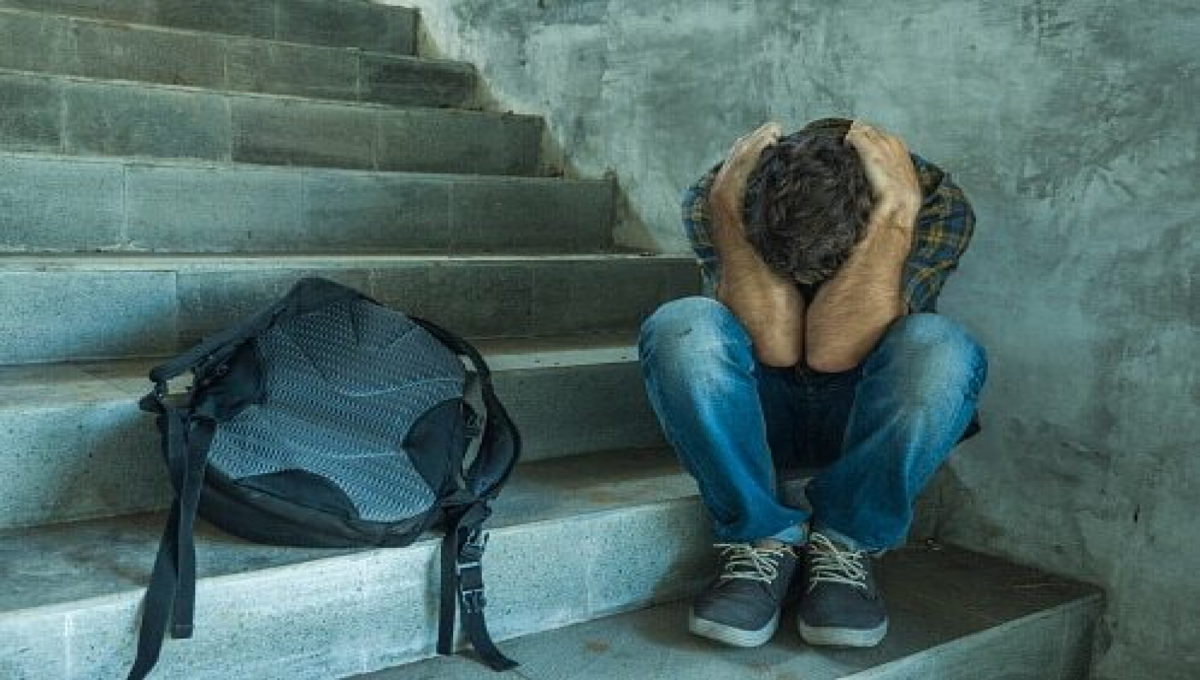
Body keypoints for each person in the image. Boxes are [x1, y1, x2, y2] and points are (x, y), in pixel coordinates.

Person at [638, 118, 987, 649]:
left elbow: (834, 351)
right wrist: (728, 211)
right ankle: (760, 536)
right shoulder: (722, 192)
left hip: (864, 417)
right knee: (681, 325)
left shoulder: (934, 201)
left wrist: (896, 213)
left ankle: (846, 540)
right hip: (756, 413)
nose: (806, 285)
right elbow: (775, 345)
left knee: (942, 348)